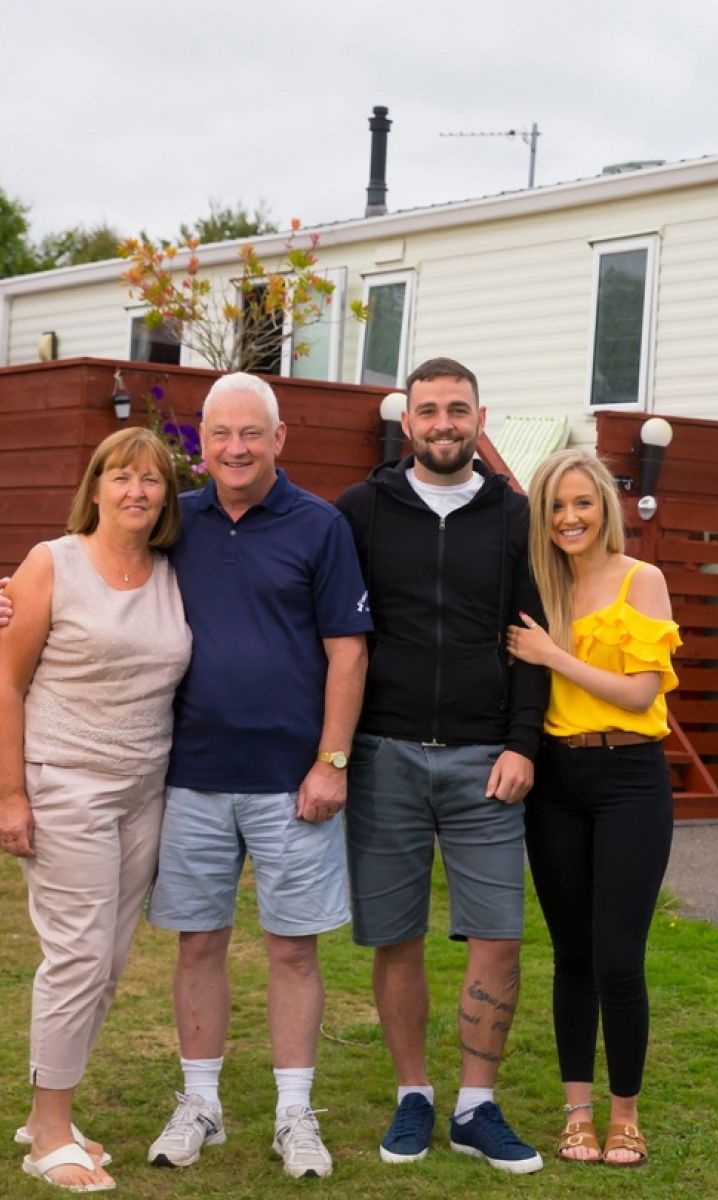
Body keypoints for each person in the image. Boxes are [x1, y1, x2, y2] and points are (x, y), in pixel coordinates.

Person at [140, 373, 371, 1179]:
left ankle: (293, 1113)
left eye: (251, 433)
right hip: (190, 774)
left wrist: (331, 760)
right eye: (220, 434)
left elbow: (349, 650)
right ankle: (200, 1104)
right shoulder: (174, 519)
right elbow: (93, 572)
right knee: (198, 942)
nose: (235, 448)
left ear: (280, 439)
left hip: (291, 781)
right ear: (200, 442)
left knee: (292, 951)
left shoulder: (321, 526)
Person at [335, 357, 548, 1175]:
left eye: (458, 410)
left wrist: (524, 743)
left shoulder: (515, 517)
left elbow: (532, 635)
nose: (444, 424)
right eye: (429, 411)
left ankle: (475, 1106)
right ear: (407, 422)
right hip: (384, 755)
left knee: (498, 935)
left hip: (485, 757)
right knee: (397, 938)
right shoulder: (360, 511)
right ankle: (413, 1094)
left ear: (479, 417)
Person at [0, 427, 191, 1192]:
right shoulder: (52, 563)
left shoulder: (174, 572)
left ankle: (50, 1105)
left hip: (144, 788)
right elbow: (7, 683)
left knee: (108, 963)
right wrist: (11, 792)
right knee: (78, 956)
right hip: (63, 781)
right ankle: (48, 1134)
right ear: (96, 485)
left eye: (151, 480)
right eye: (121, 477)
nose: (137, 491)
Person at [505, 447, 679, 1168]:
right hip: (555, 784)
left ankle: (625, 1115)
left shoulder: (643, 580)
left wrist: (555, 657)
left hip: (629, 778)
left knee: (617, 957)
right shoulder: (539, 587)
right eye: (556, 506)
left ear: (604, 505)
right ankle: (577, 1114)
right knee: (572, 954)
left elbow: (641, 693)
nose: (569, 517)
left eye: (581, 503)